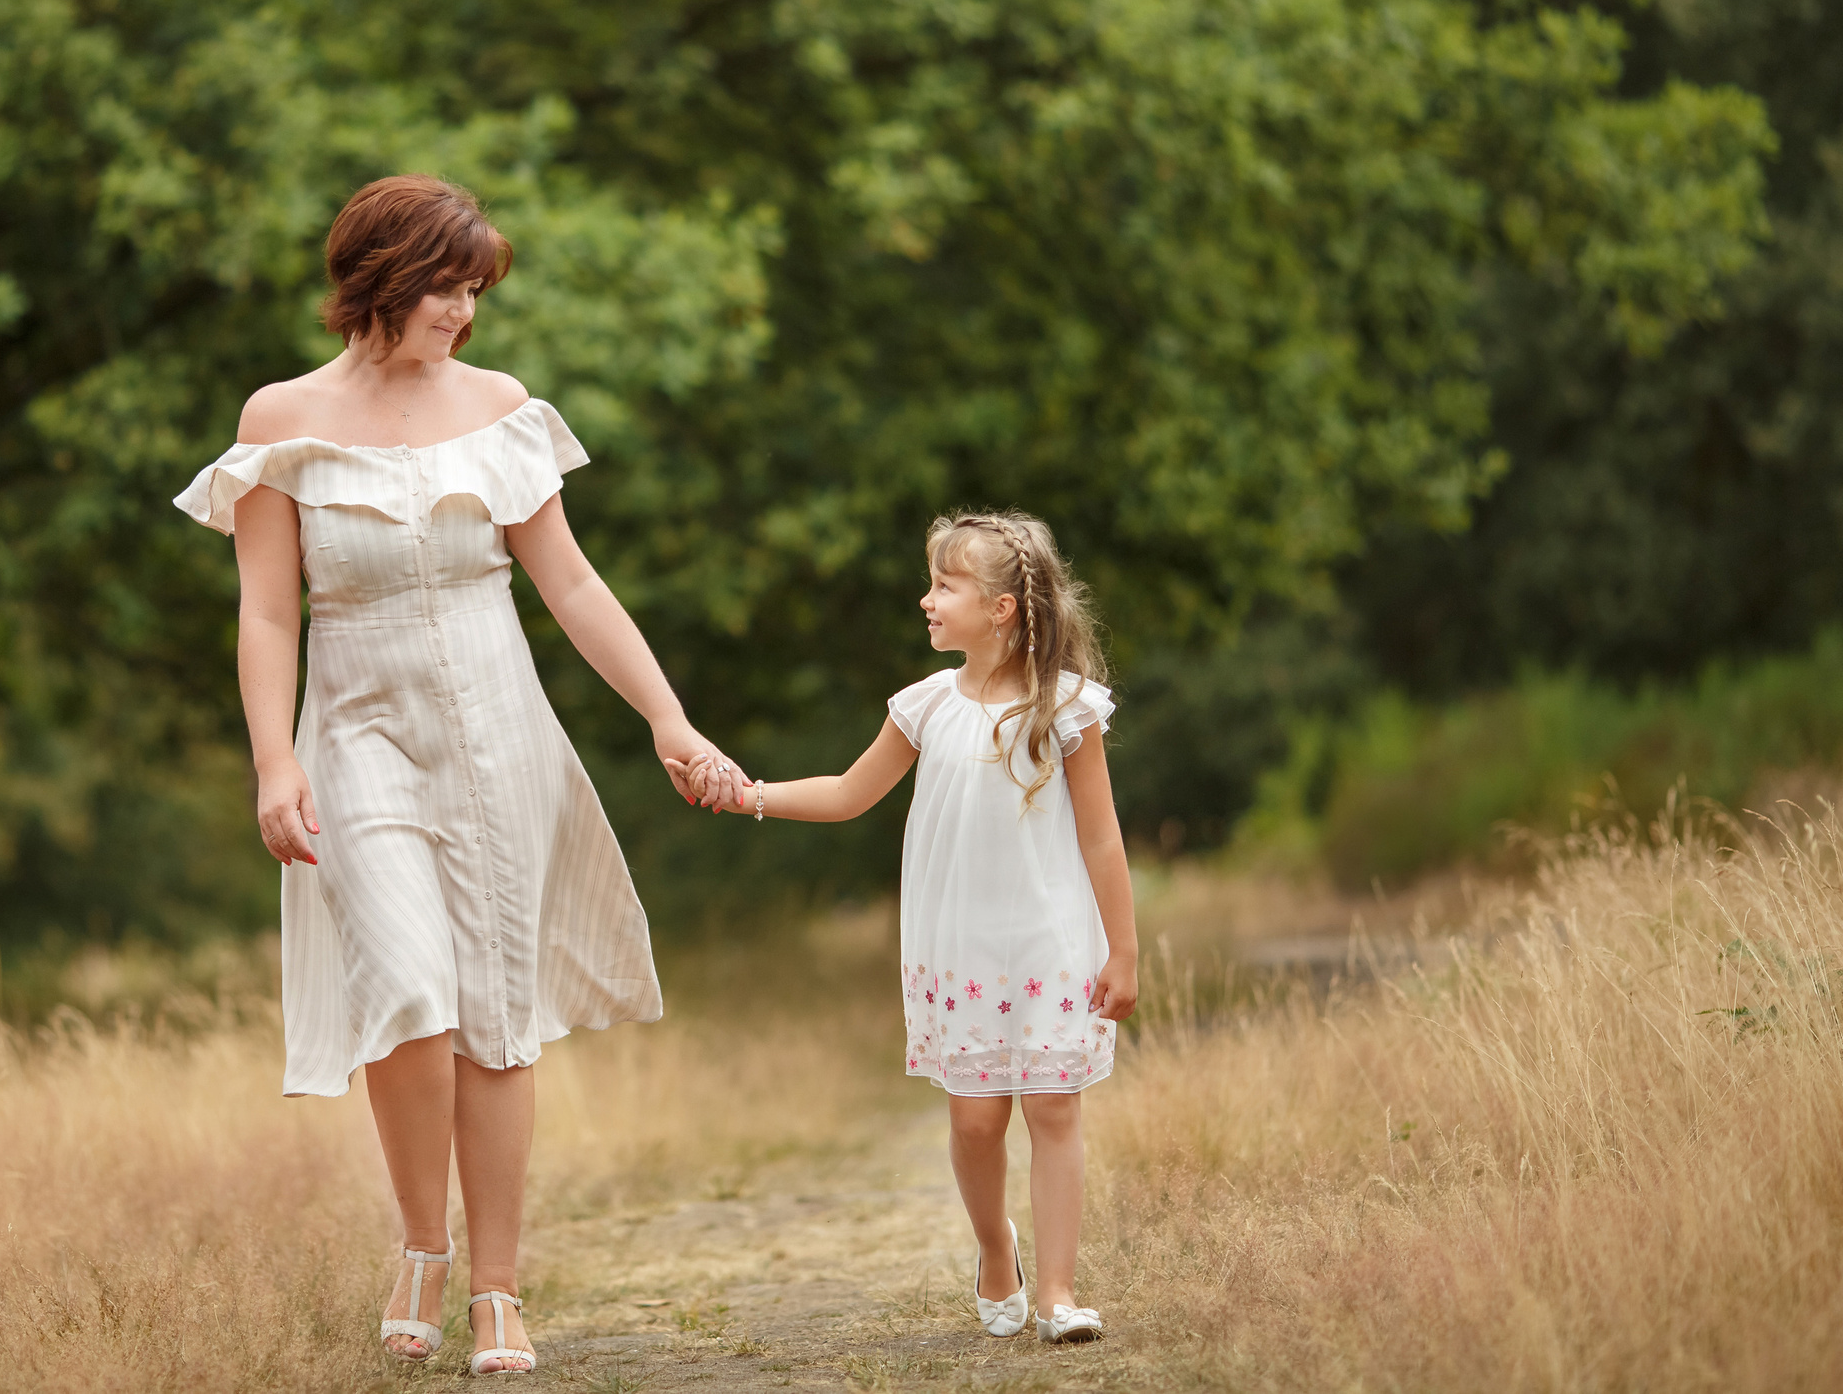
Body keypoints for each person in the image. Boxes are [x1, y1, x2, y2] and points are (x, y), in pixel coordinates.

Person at [174, 176, 740, 1376]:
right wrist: (274, 761)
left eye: (478, 291)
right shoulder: (281, 416)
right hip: (357, 736)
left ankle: (494, 1292)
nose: (466, 313)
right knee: (411, 992)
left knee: (494, 1017)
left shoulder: (499, 408)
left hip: (498, 733)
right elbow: (269, 612)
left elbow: (572, 586)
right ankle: (419, 1249)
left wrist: (667, 719)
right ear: (382, 275)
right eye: (450, 286)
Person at [690, 511, 1137, 1345]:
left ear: (1000, 608)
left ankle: (1062, 1292)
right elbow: (849, 792)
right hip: (960, 946)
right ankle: (994, 1245)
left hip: (1050, 940)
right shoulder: (925, 705)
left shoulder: (1068, 708)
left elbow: (1102, 835)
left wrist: (1125, 947)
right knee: (976, 1120)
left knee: (1053, 1107)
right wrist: (747, 793)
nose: (926, 601)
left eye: (944, 586)